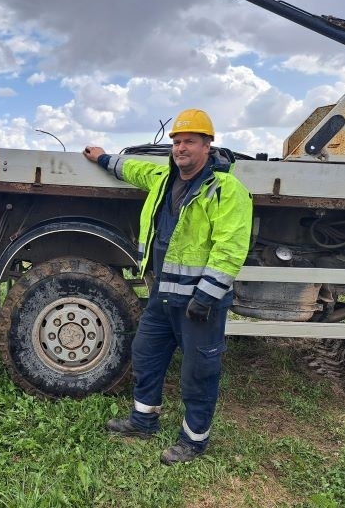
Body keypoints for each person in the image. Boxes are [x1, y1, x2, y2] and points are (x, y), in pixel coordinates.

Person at [83, 109, 252, 465]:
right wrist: (102, 157)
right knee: (146, 355)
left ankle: (193, 441)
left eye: (189, 141)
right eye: (176, 142)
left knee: (198, 372)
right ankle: (144, 421)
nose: (180, 148)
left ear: (208, 145)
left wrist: (205, 297)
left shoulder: (227, 189)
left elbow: (230, 247)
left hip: (199, 304)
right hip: (163, 296)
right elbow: (133, 169)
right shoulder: (164, 176)